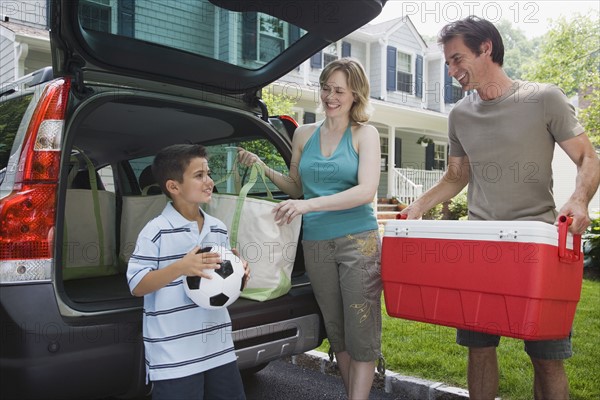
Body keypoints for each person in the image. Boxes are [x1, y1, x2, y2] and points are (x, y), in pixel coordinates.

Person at [401, 16, 600, 400]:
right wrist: (419, 206)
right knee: (479, 349)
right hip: (480, 247)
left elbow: (588, 157)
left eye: (458, 59)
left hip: (537, 247)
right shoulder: (460, 114)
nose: (452, 70)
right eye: (447, 63)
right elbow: (456, 176)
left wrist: (579, 199)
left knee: (546, 357)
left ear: (486, 48)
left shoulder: (544, 99)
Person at [238, 58, 383, 399]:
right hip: (316, 243)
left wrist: (308, 205)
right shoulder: (304, 134)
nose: (330, 97)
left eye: (339, 90)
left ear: (355, 94)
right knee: (337, 330)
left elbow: (366, 191)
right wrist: (263, 167)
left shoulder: (366, 134)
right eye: (326, 88)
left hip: (358, 241)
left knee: (361, 330)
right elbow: (295, 187)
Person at [126, 144, 249, 400]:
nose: (209, 181)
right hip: (174, 357)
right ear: (174, 187)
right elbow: (137, 285)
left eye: (208, 173)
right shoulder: (156, 230)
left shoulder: (217, 228)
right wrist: (181, 267)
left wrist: (240, 277)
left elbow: (221, 287)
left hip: (218, 348)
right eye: (199, 175)